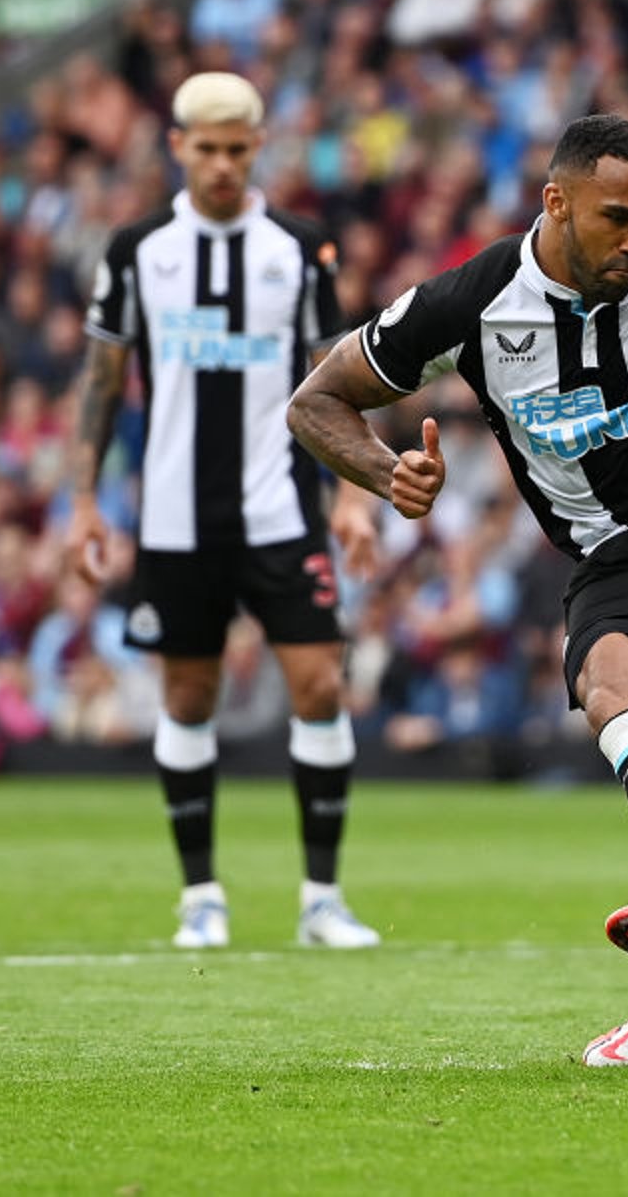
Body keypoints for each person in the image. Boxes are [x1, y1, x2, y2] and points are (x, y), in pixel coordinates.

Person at [287, 114, 628, 1065]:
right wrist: (383, 473)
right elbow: (316, 399)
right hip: (611, 549)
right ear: (556, 202)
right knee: (616, 693)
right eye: (620, 219)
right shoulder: (467, 302)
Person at [66, 71, 382, 952]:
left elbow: (338, 381)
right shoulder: (136, 250)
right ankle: (200, 895)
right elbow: (99, 380)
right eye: (205, 149)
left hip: (281, 507)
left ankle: (322, 899)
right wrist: (85, 501)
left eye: (236, 150)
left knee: (320, 685)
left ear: (257, 147)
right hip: (174, 519)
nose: (220, 166)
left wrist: (353, 498)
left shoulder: (299, 247)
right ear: (178, 147)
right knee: (188, 694)